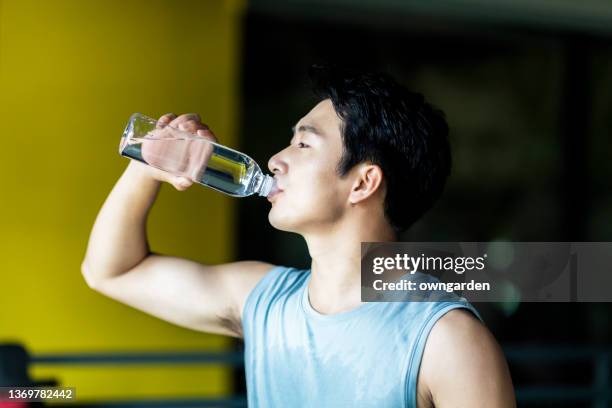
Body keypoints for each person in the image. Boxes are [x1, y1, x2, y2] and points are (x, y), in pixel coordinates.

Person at [81, 66, 516, 407]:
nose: (274, 159)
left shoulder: (448, 341)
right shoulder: (261, 299)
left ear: (363, 183)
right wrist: (147, 165)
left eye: (304, 145)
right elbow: (111, 272)